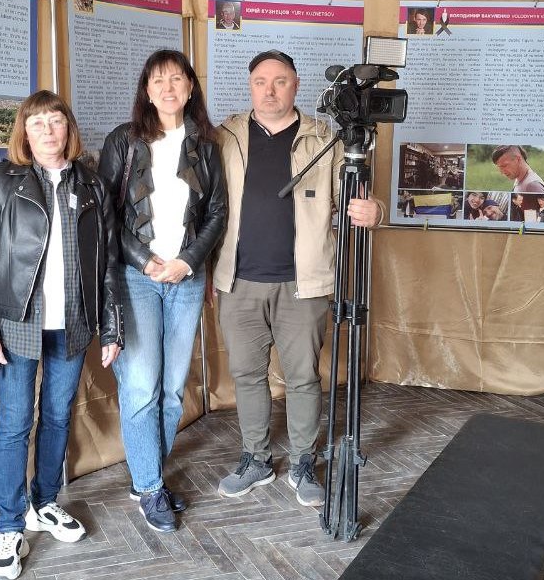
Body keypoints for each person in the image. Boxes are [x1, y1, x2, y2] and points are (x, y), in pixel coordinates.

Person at [213, 50, 381, 508]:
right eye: (260, 82)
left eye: (280, 81)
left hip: (302, 284)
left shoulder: (324, 138)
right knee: (247, 374)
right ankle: (256, 459)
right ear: (250, 86)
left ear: (296, 85)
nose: (269, 91)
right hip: (238, 281)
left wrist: (374, 211)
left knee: (303, 377)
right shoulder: (224, 137)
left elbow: (355, 199)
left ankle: (304, 461)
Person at [0, 90, 123, 580]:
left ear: (68, 129)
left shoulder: (93, 185)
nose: (48, 131)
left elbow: (109, 263)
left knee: (57, 417)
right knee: (15, 424)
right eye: (37, 124)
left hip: (73, 323)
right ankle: (10, 527)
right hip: (18, 324)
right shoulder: (4, 181)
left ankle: (45, 502)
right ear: (25, 133)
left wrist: (112, 327)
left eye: (55, 121)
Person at [99, 50, 226, 533]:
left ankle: (145, 476)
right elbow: (106, 214)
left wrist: (188, 261)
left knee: (173, 390)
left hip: (187, 279)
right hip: (137, 278)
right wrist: (144, 260)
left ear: (190, 88)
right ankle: (151, 487)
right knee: (140, 386)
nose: (168, 88)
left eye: (176, 79)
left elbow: (217, 213)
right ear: (146, 91)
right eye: (158, 80)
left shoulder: (206, 146)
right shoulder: (124, 141)